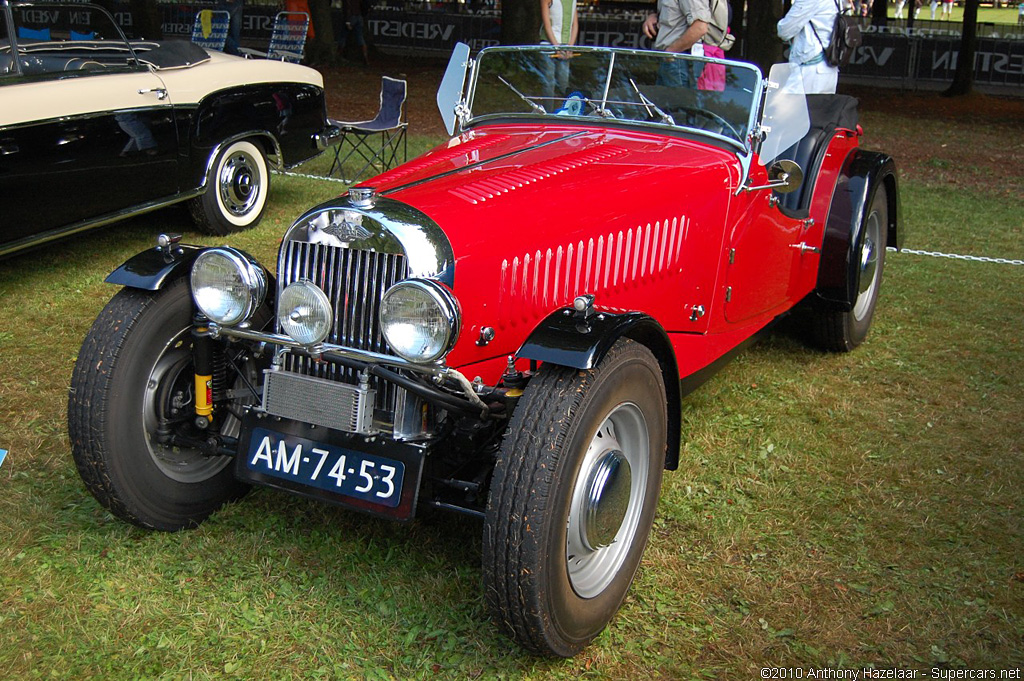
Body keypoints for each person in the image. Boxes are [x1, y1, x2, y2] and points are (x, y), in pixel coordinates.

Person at [642, 0, 712, 88]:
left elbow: (700, 27)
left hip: (681, 59)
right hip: (671, 58)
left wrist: (671, 51)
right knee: (664, 99)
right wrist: (655, 16)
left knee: (678, 100)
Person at [777, 0, 839, 94]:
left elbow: (784, 30)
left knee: (784, 106)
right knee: (821, 107)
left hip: (809, 67)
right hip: (829, 67)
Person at [539, 0, 579, 98]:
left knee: (564, 83)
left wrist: (570, 47)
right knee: (548, 83)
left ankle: (563, 111)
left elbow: (575, 25)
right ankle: (548, 111)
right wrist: (557, 47)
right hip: (548, 44)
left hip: (565, 45)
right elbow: (547, 25)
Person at [334, 0, 369, 65]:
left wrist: (347, 21)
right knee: (360, 38)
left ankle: (338, 55)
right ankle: (365, 57)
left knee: (343, 37)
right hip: (359, 16)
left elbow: (347, 8)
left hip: (351, 17)